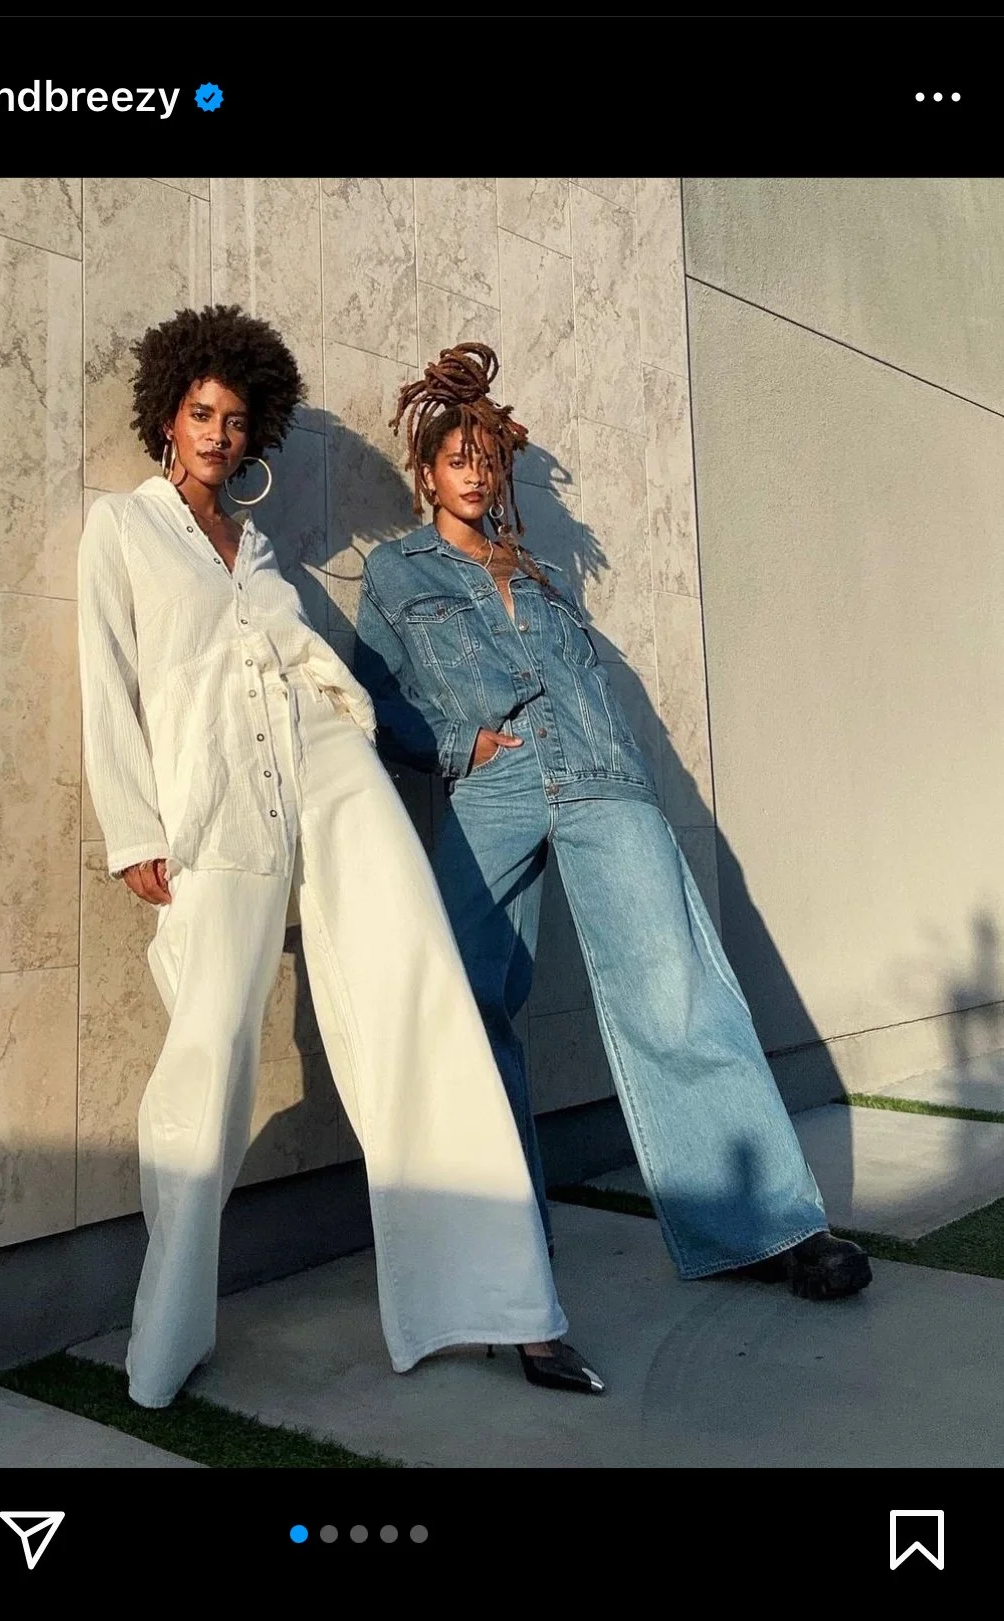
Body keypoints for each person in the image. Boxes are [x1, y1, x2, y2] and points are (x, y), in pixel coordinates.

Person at [78, 305, 604, 1409]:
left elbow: (300, 659)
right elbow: (109, 682)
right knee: (209, 1053)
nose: (219, 435)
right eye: (201, 414)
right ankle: (163, 1339)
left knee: (418, 988)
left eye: (236, 419)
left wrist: (359, 739)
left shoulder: (259, 548)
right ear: (167, 419)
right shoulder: (120, 531)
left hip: (322, 771)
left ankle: (502, 1300)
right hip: (213, 812)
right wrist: (134, 827)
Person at [354, 344, 871, 1302]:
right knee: (463, 998)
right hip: (493, 788)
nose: (475, 469)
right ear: (424, 472)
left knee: (677, 992)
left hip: (600, 777)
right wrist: (459, 746)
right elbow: (369, 695)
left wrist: (623, 768)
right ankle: (496, 1244)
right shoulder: (395, 572)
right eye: (455, 455)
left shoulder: (542, 576)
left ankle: (764, 1223)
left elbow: (584, 685)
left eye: (487, 454)